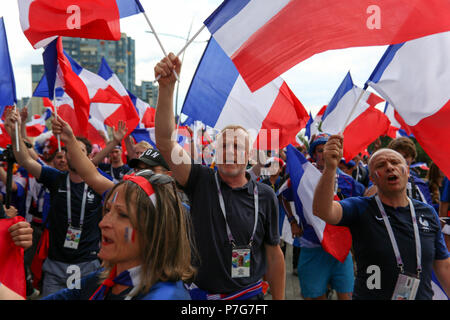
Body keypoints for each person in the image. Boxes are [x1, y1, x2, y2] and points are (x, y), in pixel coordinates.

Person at [154, 53, 285, 300]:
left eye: (237, 147)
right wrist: (167, 87)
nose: (230, 152)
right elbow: (164, 141)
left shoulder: (266, 195)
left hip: (248, 298)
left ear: (248, 156)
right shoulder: (200, 180)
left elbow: (274, 253)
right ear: (215, 152)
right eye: (224, 146)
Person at [0, 168, 195, 300]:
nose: (103, 223)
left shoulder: (165, 296)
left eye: (122, 215)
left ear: (155, 231)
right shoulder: (103, 279)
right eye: (107, 211)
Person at [313, 134, 450, 299]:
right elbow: (323, 210)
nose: (390, 167)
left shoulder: (428, 213)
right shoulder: (361, 207)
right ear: (372, 179)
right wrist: (330, 168)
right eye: (381, 165)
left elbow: (444, 266)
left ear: (407, 172)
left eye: (395, 162)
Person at [4, 109, 109, 297]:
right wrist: (14, 132)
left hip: (88, 264)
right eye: (70, 152)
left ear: (89, 157)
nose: (74, 155)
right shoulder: (56, 178)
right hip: (55, 265)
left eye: (81, 151)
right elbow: (25, 160)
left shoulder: (101, 184)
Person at [293, 133, 359, 300]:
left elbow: (358, 211)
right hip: (312, 246)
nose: (325, 154)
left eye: (329, 149)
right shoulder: (302, 176)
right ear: (314, 154)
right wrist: (293, 221)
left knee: (347, 295)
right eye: (320, 150)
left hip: (341, 249)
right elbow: (283, 195)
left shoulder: (349, 182)